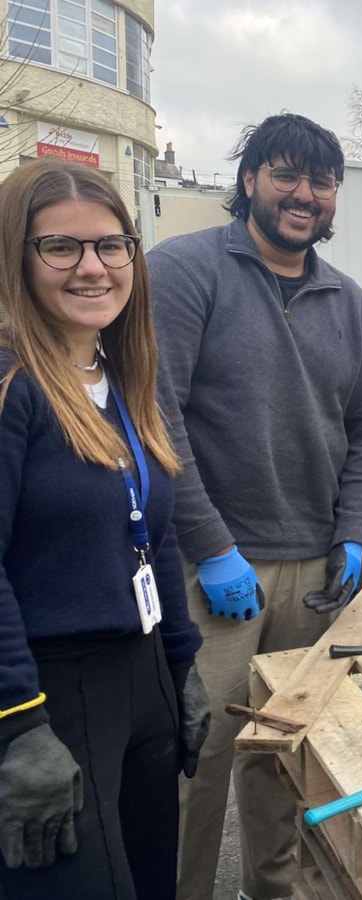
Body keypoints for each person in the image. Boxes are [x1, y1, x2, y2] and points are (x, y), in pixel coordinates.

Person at [148, 114, 362, 900]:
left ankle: (272, 892)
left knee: (282, 755)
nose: (305, 195)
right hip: (212, 568)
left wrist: (354, 536)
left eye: (321, 183)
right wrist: (210, 545)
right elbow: (159, 413)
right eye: (286, 174)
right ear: (249, 179)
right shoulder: (184, 273)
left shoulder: (349, 303)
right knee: (199, 759)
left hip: (315, 569)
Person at [0, 159, 208, 898]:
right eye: (61, 247)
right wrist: (17, 725)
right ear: (16, 257)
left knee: (152, 882)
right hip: (55, 690)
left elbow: (160, 531)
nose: (93, 268)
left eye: (111, 246)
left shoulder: (120, 380)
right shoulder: (12, 387)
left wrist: (182, 663)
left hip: (141, 675)